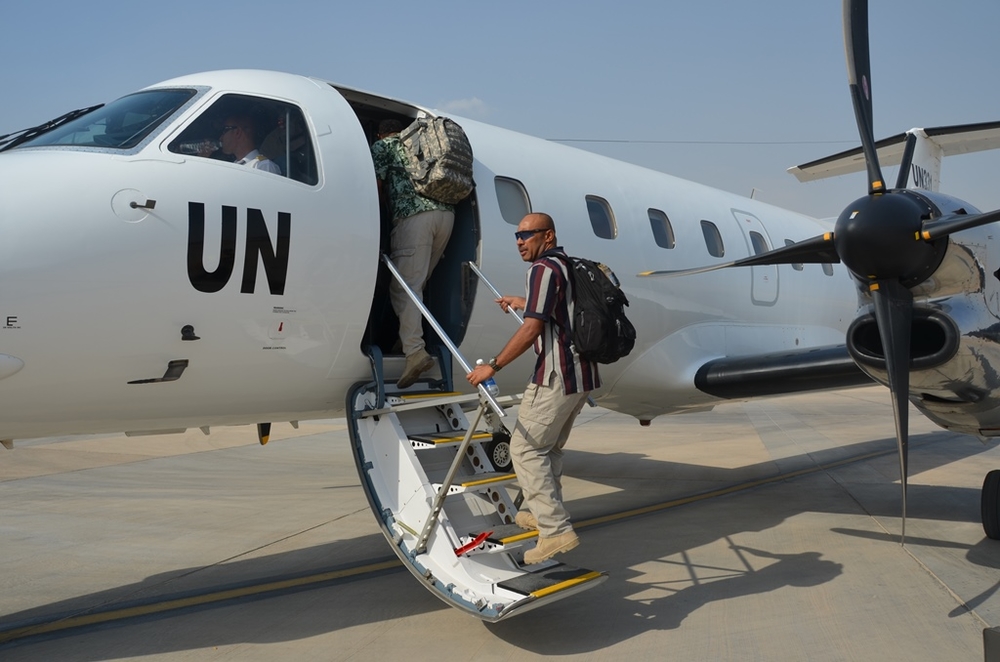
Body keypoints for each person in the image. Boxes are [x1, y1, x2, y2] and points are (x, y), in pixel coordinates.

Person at [466, 212, 599, 564]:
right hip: (583, 375)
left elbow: (531, 329)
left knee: (524, 449)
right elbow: (561, 309)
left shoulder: (541, 269)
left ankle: (554, 530)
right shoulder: (566, 265)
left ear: (548, 236)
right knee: (548, 449)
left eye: (527, 235)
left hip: (557, 374)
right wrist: (522, 301)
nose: (520, 242)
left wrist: (492, 366)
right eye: (517, 235)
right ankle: (541, 516)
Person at [371, 119, 455, 388]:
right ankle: (404, 338)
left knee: (405, 288)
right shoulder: (423, 144)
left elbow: (377, 186)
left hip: (413, 217)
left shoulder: (383, 145)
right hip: (446, 217)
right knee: (418, 284)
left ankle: (415, 351)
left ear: (380, 133)